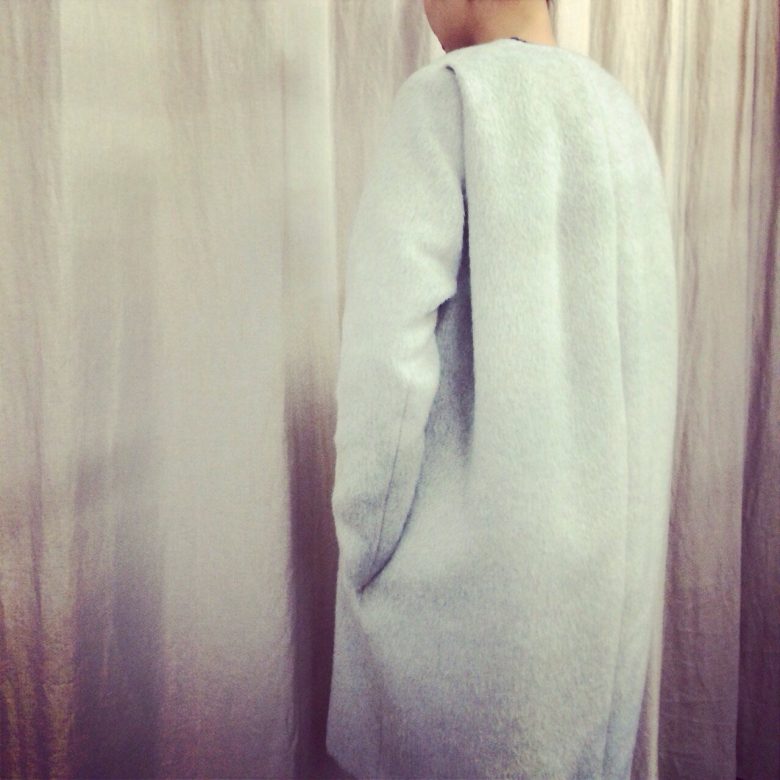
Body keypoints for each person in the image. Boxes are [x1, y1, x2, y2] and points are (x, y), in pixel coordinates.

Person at [326, 0, 679, 777]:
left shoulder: (448, 100)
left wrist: (363, 557)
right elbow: (651, 356)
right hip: (597, 624)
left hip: (465, 631)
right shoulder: (619, 113)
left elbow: (385, 370)